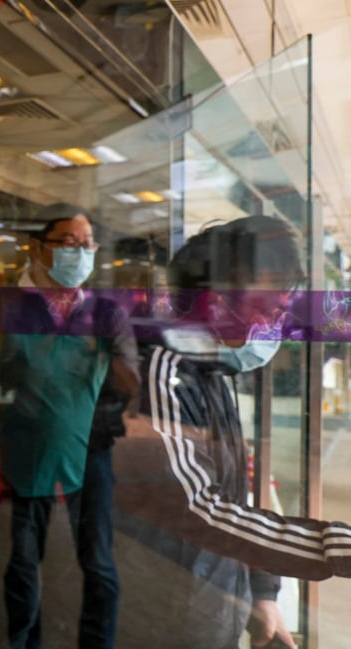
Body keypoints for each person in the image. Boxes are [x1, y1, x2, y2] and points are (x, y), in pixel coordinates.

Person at [108, 215, 351, 649]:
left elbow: (232, 492)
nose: (279, 307)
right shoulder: (161, 375)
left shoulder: (213, 373)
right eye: (266, 289)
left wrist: (260, 592)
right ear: (212, 294)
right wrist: (335, 546)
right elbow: (197, 508)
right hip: (156, 616)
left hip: (210, 604)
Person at [0, 204, 138, 649]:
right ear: (36, 249)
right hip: (14, 459)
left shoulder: (104, 314)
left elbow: (129, 386)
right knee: (18, 573)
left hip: (88, 456)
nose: (82, 252)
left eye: (88, 244)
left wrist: (111, 351)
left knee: (98, 568)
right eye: (69, 243)